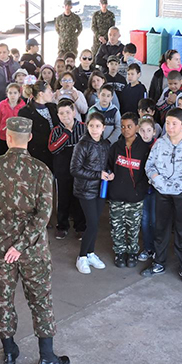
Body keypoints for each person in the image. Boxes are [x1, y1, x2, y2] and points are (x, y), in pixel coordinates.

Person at [0, 116, 69, 364]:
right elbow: (43, 216)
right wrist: (21, 245)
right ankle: (47, 357)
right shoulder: (41, 170)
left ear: (7, 137)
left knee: (2, 298)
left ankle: (9, 352)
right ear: (29, 138)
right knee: (41, 299)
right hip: (32, 249)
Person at [142, 108, 182, 283]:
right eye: (167, 123)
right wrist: (158, 181)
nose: (170, 127)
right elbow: (149, 166)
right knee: (160, 228)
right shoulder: (160, 143)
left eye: (174, 124)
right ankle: (158, 262)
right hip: (162, 193)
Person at [107, 112, 150, 268]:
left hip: (135, 197)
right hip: (116, 195)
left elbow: (147, 173)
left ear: (137, 127)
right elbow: (109, 166)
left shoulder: (144, 149)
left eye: (129, 126)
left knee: (133, 227)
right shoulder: (116, 147)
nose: (126, 130)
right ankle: (119, 252)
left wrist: (140, 190)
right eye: (123, 127)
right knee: (116, 226)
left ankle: (132, 253)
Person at [70, 111, 111, 274]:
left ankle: (91, 253)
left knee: (96, 224)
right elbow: (74, 169)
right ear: (87, 126)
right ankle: (82, 257)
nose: (95, 129)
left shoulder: (105, 144)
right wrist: (97, 175)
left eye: (98, 126)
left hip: (101, 190)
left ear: (103, 128)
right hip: (85, 190)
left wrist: (109, 173)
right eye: (92, 126)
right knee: (92, 224)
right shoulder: (82, 145)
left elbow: (106, 164)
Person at [48, 98, 86, 240]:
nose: (65, 116)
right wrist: (67, 134)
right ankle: (62, 226)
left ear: (74, 112)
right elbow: (53, 148)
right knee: (63, 199)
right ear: (58, 115)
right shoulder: (56, 131)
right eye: (62, 113)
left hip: (80, 170)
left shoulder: (83, 127)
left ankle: (80, 227)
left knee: (79, 199)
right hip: (62, 170)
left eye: (68, 112)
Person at [18, 81, 59, 171]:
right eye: (49, 91)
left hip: (55, 152)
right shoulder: (25, 112)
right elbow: (28, 135)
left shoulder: (53, 107)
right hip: (37, 155)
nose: (52, 94)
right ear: (41, 94)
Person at [138, 116, 157, 261]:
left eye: (149, 130)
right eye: (142, 130)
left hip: (156, 189)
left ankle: (156, 248)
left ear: (154, 132)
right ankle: (147, 247)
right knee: (144, 220)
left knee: (155, 219)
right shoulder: (137, 146)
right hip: (143, 189)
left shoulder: (159, 146)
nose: (146, 134)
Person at [0, 83, 26, 157]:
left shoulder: (23, 106)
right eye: (10, 93)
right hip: (3, 137)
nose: (12, 95)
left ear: (19, 94)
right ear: (7, 94)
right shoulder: (2, 105)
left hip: (17, 139)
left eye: (15, 93)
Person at [0, 43, 21, 111]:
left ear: (8, 52)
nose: (2, 55)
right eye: (0, 52)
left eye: (4, 52)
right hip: (0, 98)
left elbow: (20, 82)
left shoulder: (16, 65)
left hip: (15, 98)